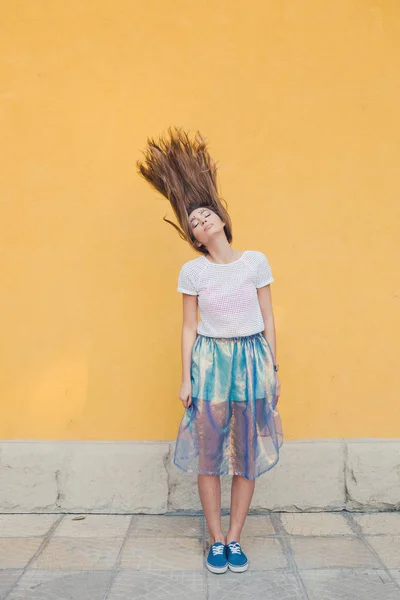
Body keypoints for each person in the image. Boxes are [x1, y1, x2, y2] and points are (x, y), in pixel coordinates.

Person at [137, 126, 283, 574]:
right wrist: (186, 376)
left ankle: (236, 539)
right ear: (195, 238)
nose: (201, 222)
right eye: (194, 223)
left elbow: (269, 317)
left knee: (245, 454)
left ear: (221, 219)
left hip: (252, 359)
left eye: (206, 215)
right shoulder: (192, 271)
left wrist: (273, 368)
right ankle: (215, 540)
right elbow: (188, 328)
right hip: (211, 361)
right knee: (208, 452)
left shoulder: (255, 261)